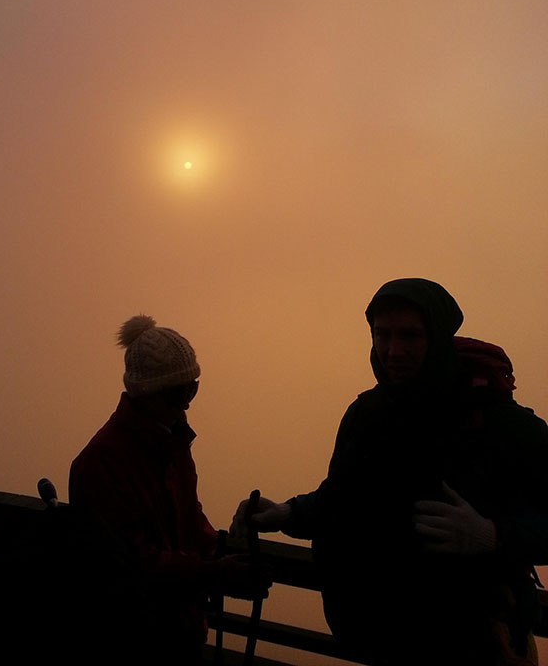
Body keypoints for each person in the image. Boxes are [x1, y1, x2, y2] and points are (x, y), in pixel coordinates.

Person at [232, 278, 548, 666]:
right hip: (382, 645)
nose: (392, 351)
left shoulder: (501, 424)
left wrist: (492, 536)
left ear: (437, 338)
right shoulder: (366, 416)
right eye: (382, 335)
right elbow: (348, 499)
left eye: (410, 336)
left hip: (482, 646)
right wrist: (290, 512)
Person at [70, 314, 270, 665]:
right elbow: (131, 563)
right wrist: (218, 573)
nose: (187, 402)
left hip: (181, 634)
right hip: (130, 643)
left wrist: (223, 551)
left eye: (192, 387)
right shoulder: (99, 464)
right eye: (177, 393)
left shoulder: (172, 443)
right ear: (144, 394)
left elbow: (190, 522)